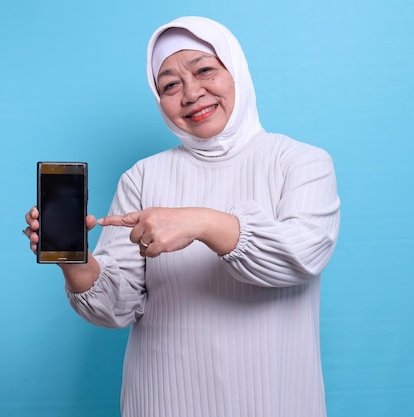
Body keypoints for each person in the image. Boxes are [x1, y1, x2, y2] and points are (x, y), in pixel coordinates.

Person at [24, 15, 340, 417]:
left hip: (273, 399)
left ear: (235, 70)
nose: (191, 93)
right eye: (170, 85)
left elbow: (302, 255)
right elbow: (115, 307)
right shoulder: (142, 176)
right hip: (162, 401)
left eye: (205, 70)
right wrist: (77, 258)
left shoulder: (301, 162)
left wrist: (199, 223)